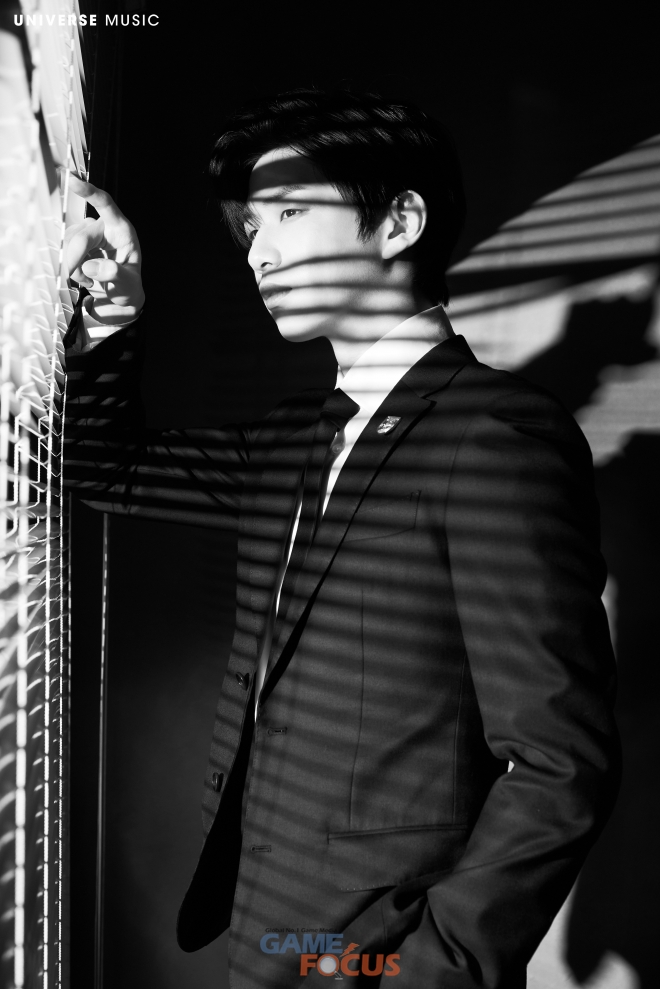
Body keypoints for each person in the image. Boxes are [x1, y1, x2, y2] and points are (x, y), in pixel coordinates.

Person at [63, 88, 620, 989]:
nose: (259, 250)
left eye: (290, 212)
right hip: (269, 928)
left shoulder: (495, 439)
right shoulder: (294, 438)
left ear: (399, 222)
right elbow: (106, 470)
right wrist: (114, 306)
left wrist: (432, 970)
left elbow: (560, 760)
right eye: (251, 225)